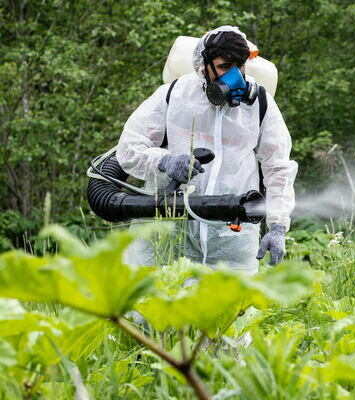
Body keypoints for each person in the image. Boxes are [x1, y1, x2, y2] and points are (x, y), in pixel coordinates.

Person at [117, 25, 296, 272]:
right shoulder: (174, 94)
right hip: (167, 231)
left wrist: (277, 226)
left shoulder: (260, 104)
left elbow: (278, 168)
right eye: (224, 67)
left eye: (240, 66)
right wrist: (165, 161)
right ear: (204, 66)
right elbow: (129, 148)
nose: (235, 76)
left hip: (231, 238)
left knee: (231, 307)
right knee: (150, 304)